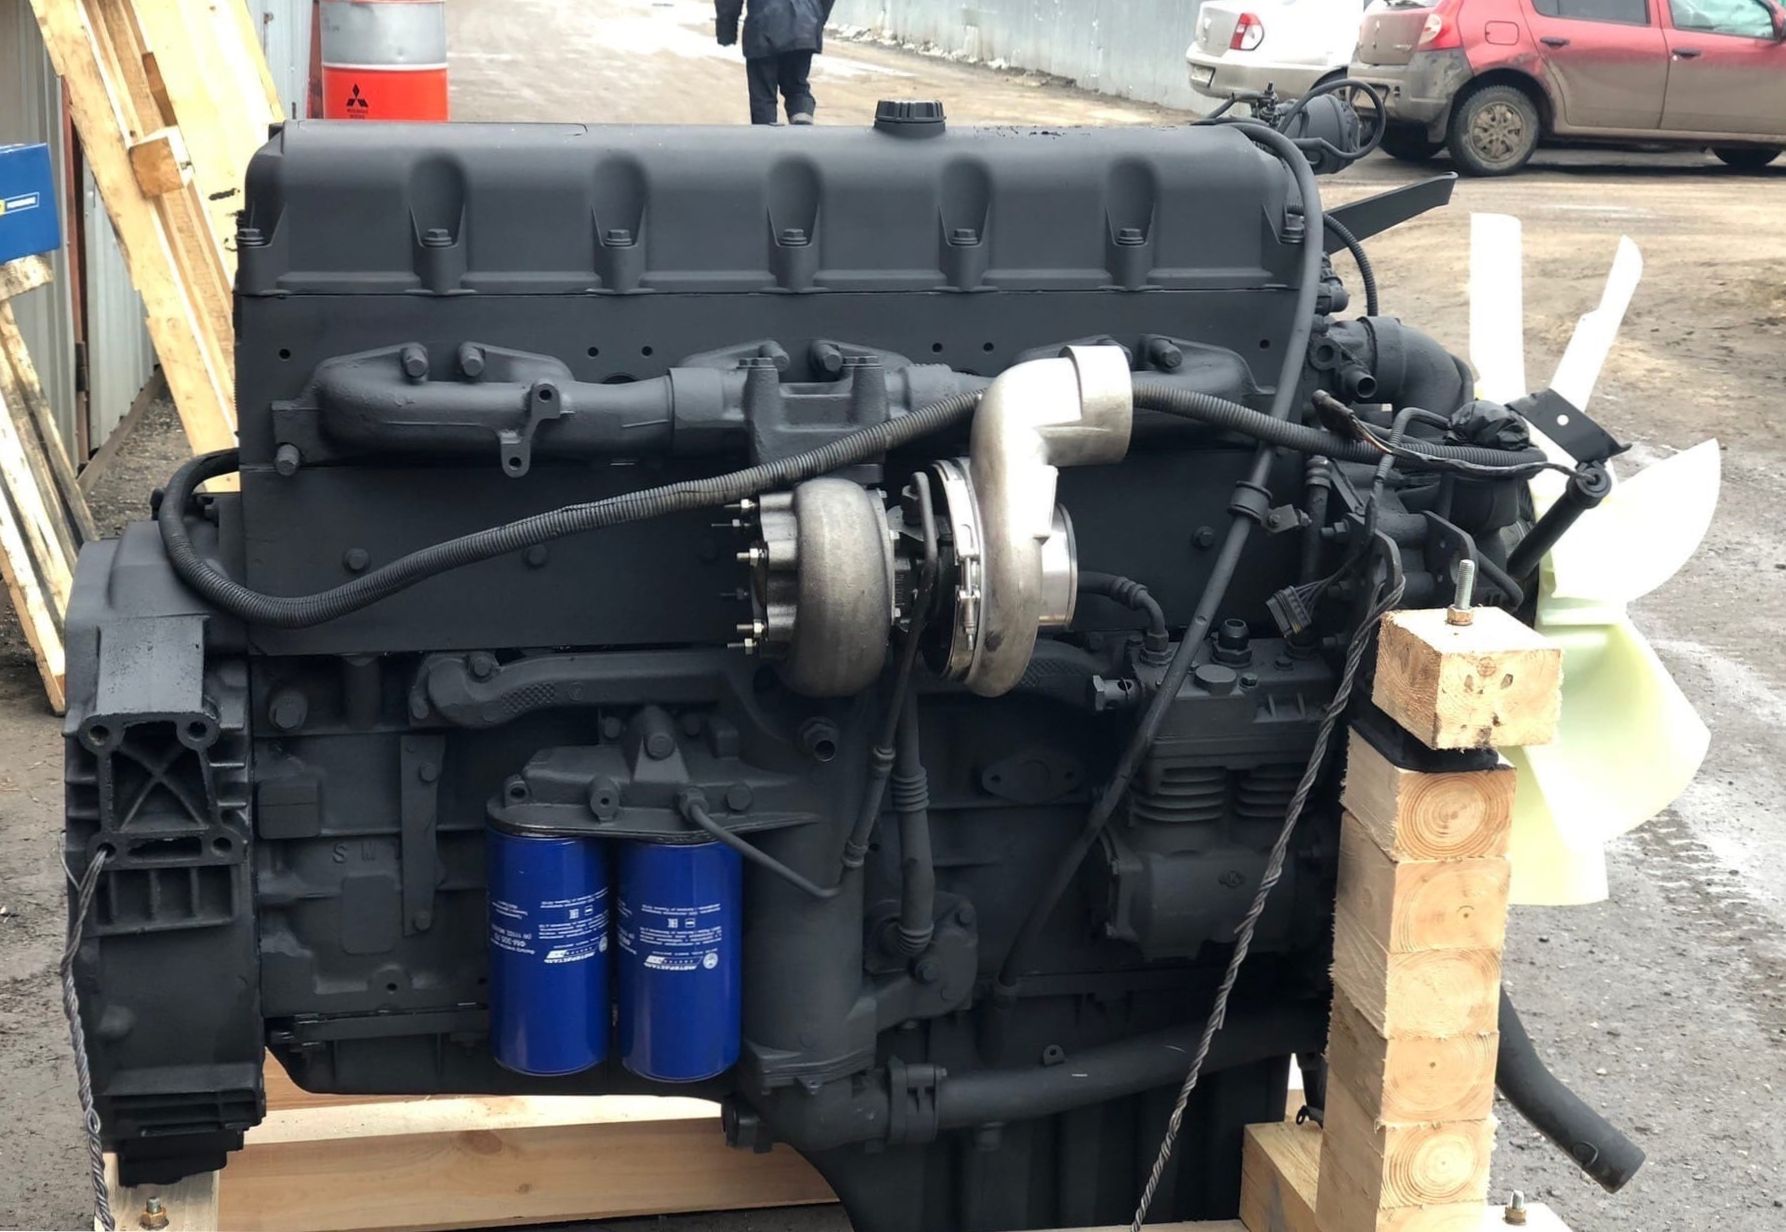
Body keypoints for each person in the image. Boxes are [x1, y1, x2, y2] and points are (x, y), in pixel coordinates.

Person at [715, 0, 835, 126]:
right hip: (805, 25)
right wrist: (815, 21)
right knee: (796, 88)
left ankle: (766, 134)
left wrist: (726, 31)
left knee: (764, 93)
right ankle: (802, 124)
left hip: (763, 26)